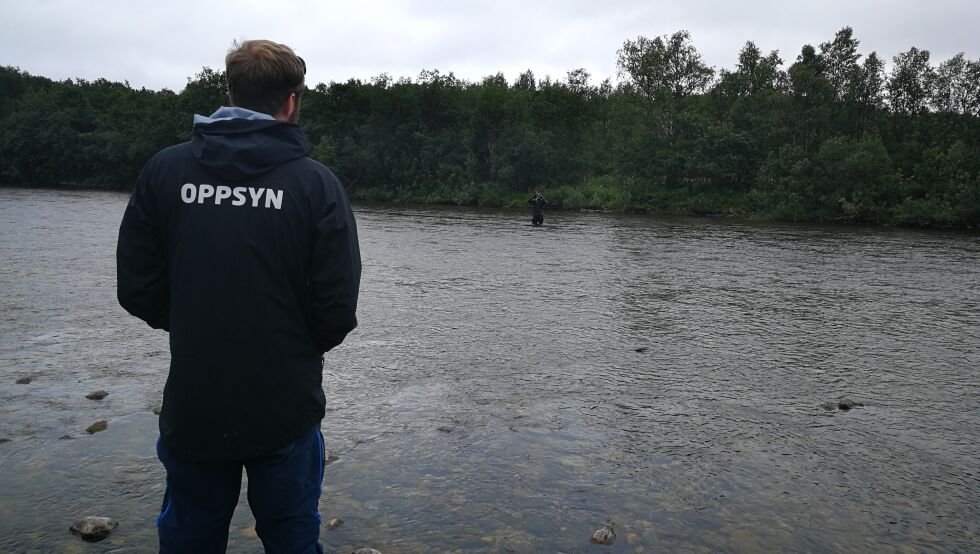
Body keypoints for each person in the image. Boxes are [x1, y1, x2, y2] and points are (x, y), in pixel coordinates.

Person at [116, 39, 361, 554]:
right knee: (293, 535)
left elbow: (136, 285)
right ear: (291, 101)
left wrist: (192, 320)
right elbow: (337, 307)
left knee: (189, 538)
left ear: (231, 90)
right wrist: (293, 343)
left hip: (195, 401)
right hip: (286, 406)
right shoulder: (317, 185)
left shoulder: (166, 171)